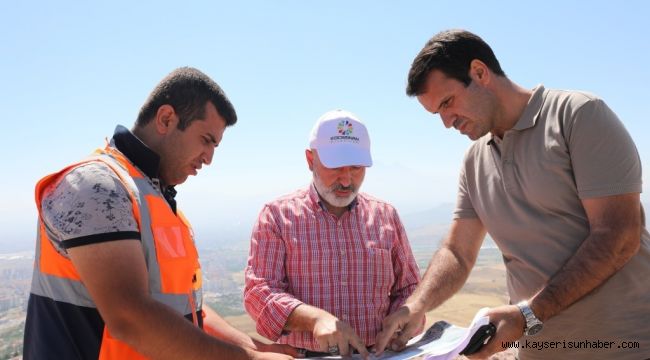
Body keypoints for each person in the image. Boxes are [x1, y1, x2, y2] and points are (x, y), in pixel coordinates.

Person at [375, 30, 650, 360]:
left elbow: (618, 236)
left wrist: (527, 316)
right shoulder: (474, 161)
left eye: (447, 103)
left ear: (480, 72)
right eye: (438, 114)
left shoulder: (578, 115)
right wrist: (416, 306)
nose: (447, 122)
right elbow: (458, 252)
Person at [23, 67, 295, 360]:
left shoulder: (157, 200)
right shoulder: (97, 186)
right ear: (166, 119)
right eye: (206, 140)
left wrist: (252, 346)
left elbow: (188, 309)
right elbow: (130, 318)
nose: (209, 158)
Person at [244, 110, 421, 358]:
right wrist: (313, 320)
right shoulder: (277, 217)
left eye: (356, 167)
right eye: (335, 166)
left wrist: (405, 315)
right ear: (310, 159)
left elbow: (411, 287)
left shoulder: (386, 216)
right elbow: (258, 293)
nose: (347, 180)